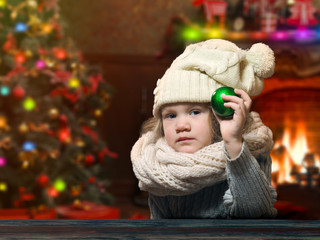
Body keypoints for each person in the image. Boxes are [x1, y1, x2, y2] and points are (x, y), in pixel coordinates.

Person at [131, 39, 277, 219]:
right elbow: (161, 227)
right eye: (171, 115)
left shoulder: (252, 148)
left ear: (220, 115)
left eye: (194, 112)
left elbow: (255, 211)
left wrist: (234, 142)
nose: (181, 126)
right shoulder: (158, 165)